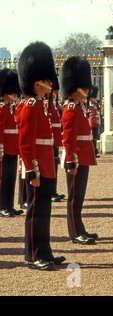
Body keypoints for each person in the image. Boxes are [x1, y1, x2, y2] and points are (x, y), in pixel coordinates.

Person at [18, 41, 65, 270]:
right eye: (46, 79)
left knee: (44, 210)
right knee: (35, 211)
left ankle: (45, 251)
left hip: (46, 165)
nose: (50, 82)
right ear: (35, 80)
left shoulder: (41, 106)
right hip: (37, 167)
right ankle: (34, 254)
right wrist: (32, 170)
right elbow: (26, 143)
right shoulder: (29, 106)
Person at [61, 56, 98, 245]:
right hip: (76, 157)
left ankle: (80, 227)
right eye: (83, 87)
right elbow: (68, 138)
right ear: (75, 87)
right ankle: (75, 232)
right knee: (74, 197)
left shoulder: (80, 107)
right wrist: (71, 160)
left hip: (83, 154)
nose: (86, 89)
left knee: (80, 196)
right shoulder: (71, 108)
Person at [0, 68, 22, 217]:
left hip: (12, 150)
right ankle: (2, 206)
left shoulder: (9, 108)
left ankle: (9, 205)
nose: (15, 94)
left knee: (11, 178)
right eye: (13, 91)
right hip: (5, 150)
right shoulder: (2, 109)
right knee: (3, 179)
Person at [45, 78, 65, 203]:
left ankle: (53, 190)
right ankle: (49, 191)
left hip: (54, 141)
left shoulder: (52, 104)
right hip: (49, 141)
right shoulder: (45, 104)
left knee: (54, 166)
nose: (56, 92)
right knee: (49, 167)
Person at [88, 86, 101, 158]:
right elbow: (92, 116)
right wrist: (96, 122)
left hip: (95, 124)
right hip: (92, 124)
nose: (95, 99)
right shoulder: (90, 106)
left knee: (95, 139)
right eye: (93, 97)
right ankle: (93, 153)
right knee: (93, 139)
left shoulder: (94, 106)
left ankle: (95, 152)